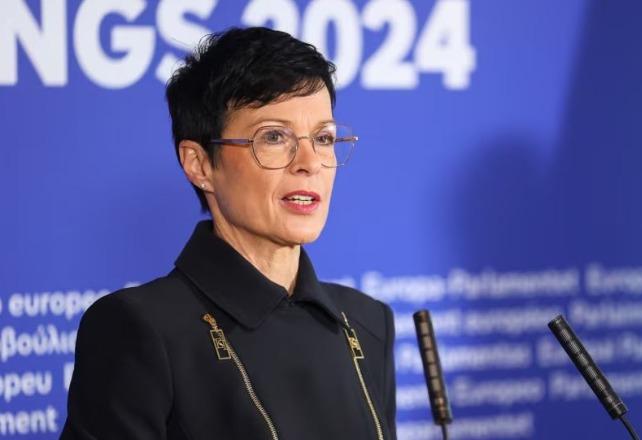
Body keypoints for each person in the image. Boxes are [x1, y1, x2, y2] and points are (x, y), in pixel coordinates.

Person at [61, 27, 396, 440]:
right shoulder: (138, 329)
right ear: (200, 164)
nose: (310, 162)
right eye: (274, 137)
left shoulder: (366, 322)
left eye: (323, 138)